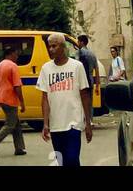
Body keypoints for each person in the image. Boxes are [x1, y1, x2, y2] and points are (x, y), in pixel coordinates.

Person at [38, 32, 92, 167]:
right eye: (49, 46)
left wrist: (88, 122)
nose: (51, 49)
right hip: (56, 125)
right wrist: (45, 123)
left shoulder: (77, 66)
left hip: (73, 123)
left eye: (54, 46)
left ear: (63, 47)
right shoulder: (46, 69)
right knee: (61, 161)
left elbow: (84, 95)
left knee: (72, 159)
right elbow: (45, 98)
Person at [0, 43, 26, 157]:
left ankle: (19, 148)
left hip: (1, 98)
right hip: (10, 99)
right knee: (10, 124)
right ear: (11, 54)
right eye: (16, 54)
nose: (17, 57)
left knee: (16, 124)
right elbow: (17, 86)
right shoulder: (13, 66)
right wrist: (22, 102)